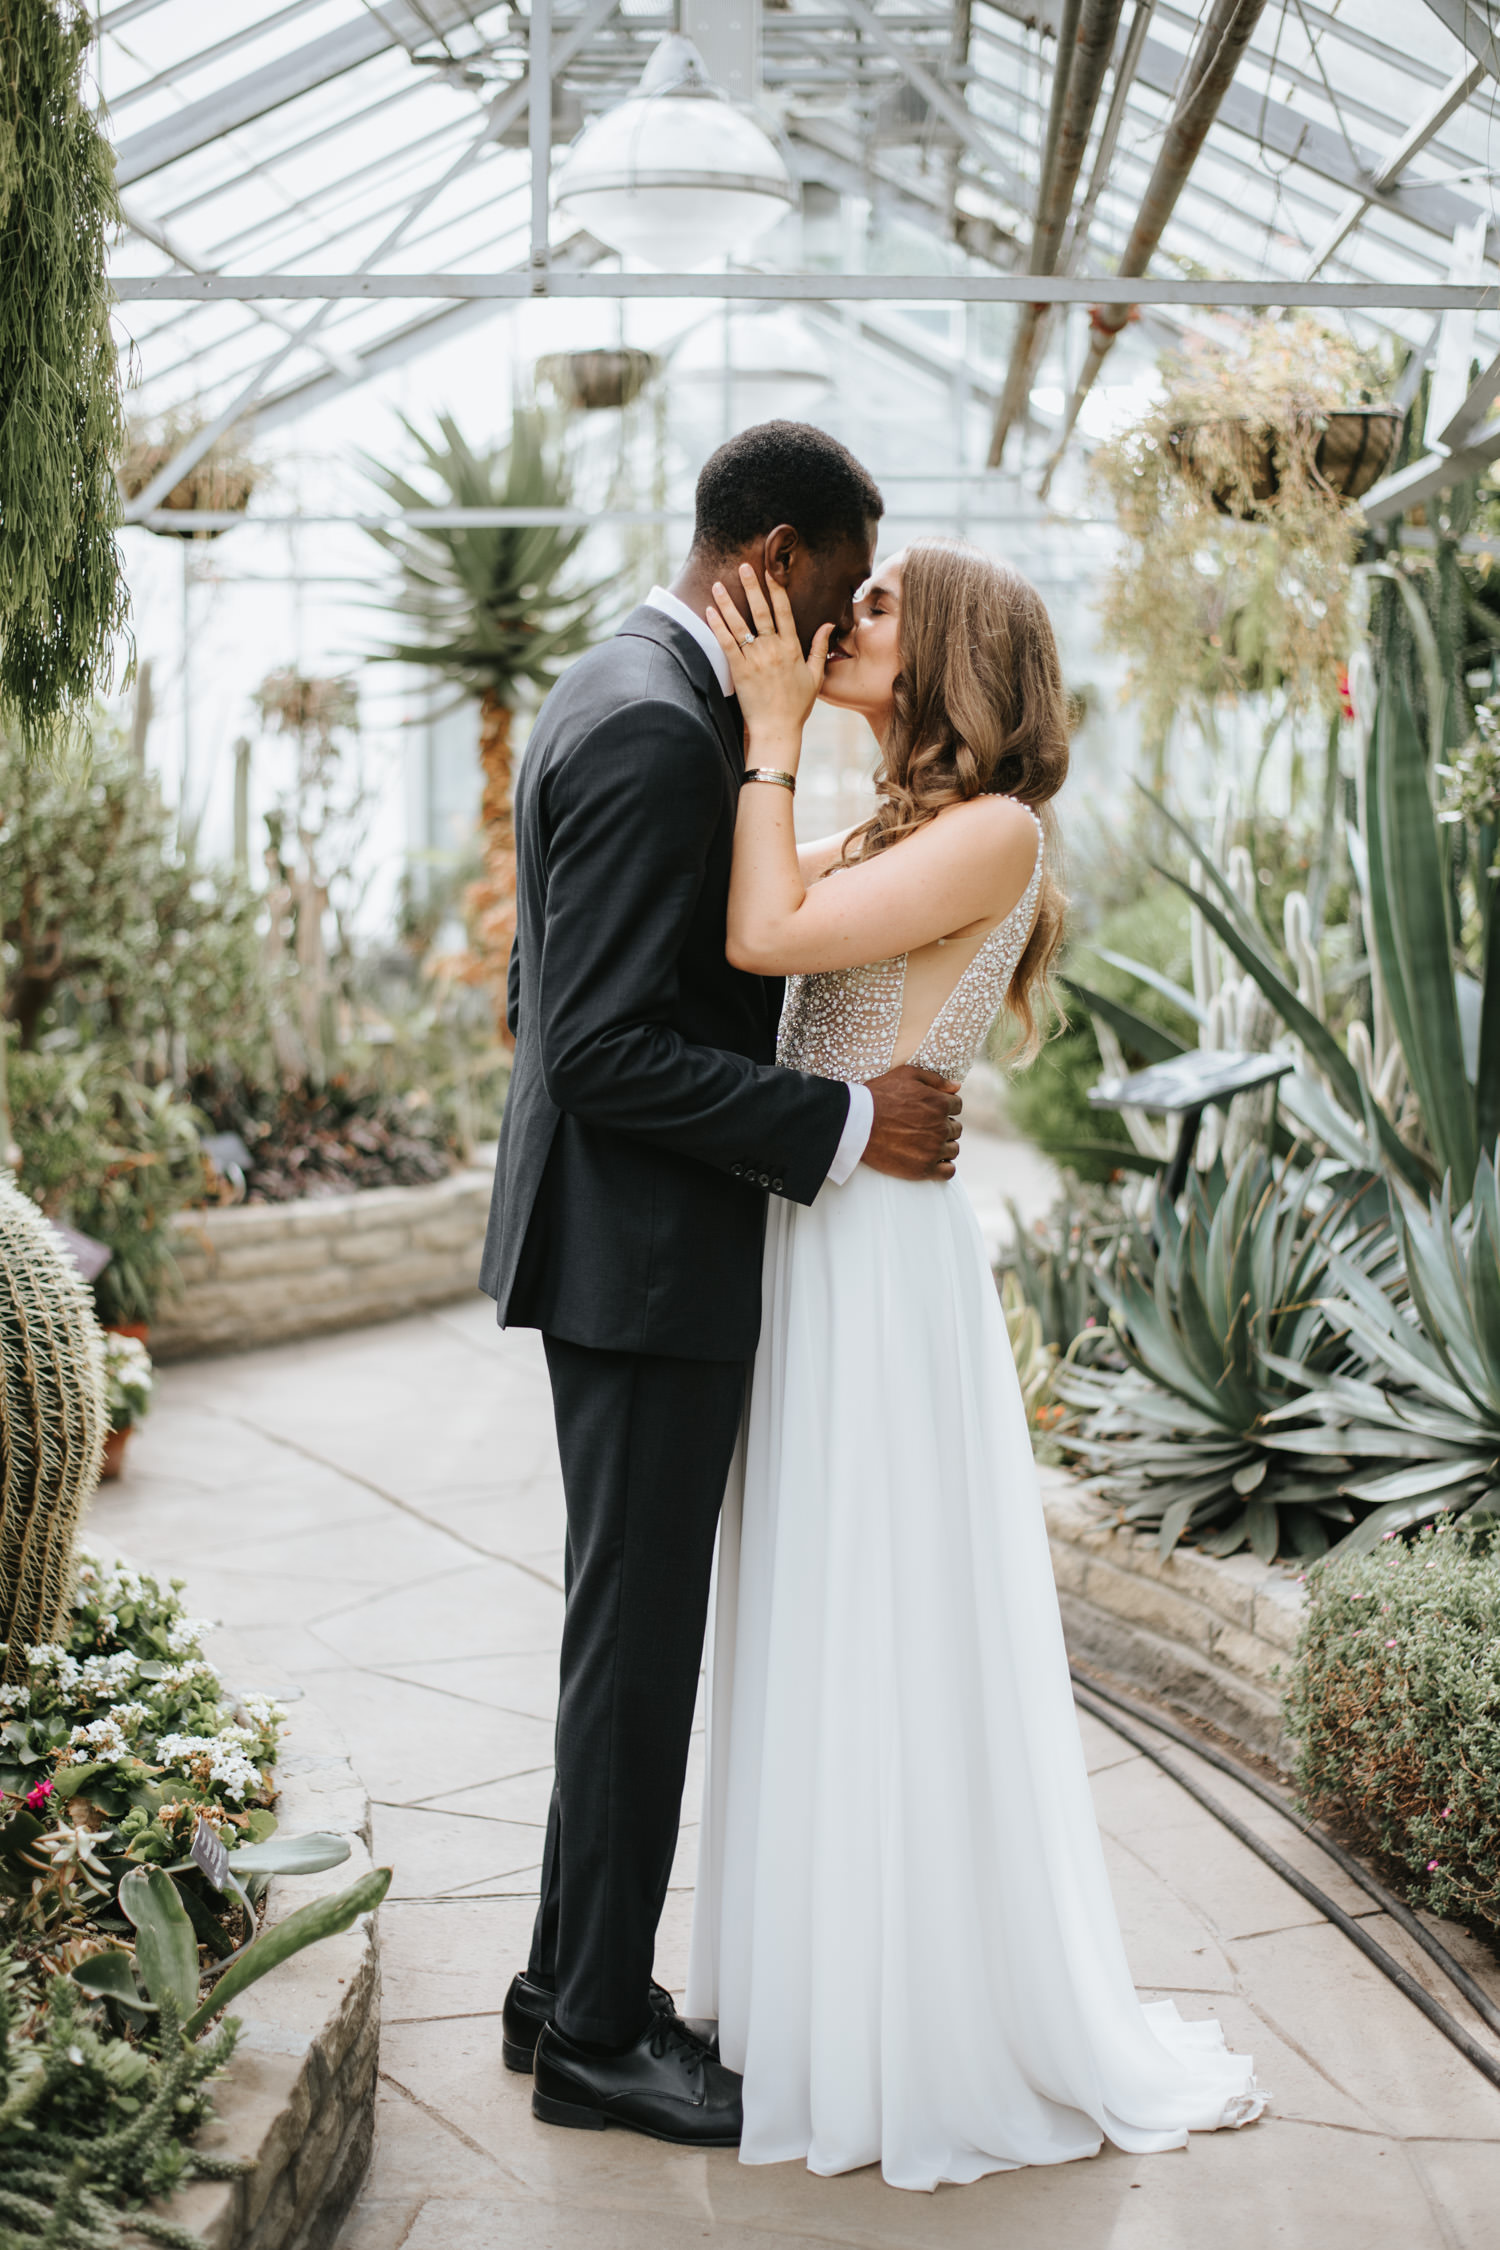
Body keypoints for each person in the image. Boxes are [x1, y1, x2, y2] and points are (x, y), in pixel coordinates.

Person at [685, 538, 1265, 2188]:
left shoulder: (989, 830)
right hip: (829, 1231)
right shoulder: (899, 821)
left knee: (878, 1611)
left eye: (877, 608)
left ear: (947, 656)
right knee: (814, 1604)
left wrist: (771, 731)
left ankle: (908, 2024)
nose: (840, 617)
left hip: (878, 1270)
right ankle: (815, 1990)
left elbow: (761, 930)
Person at [479, 424, 962, 2147]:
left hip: (621, 1243)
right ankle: (604, 2032)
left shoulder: (623, 687)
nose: (842, 630)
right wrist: (836, 1119)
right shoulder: (659, 732)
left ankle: (563, 1984)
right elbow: (599, 1041)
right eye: (838, 583)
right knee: (641, 1645)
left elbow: (563, 999)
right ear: (769, 548)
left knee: (622, 1635)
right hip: (644, 1251)